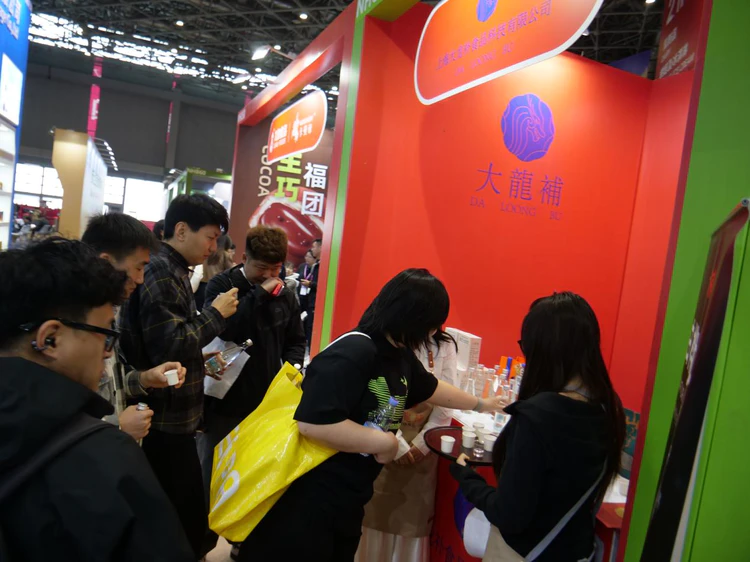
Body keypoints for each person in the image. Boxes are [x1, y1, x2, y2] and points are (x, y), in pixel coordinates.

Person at [237, 269, 509, 562]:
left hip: (348, 497)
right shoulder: (355, 350)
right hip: (308, 497)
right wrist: (384, 442)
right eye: (432, 324)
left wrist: (482, 404)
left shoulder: (398, 352)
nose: (433, 333)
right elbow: (312, 422)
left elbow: (431, 388)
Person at [0, 238, 194, 561]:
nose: (106, 353)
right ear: (50, 339)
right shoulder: (105, 456)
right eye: (105, 335)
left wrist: (144, 379)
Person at [450, 292, 626, 562]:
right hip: (576, 550)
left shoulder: (537, 416)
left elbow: (509, 515)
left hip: (523, 552)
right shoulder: (608, 409)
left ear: (541, 349)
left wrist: (468, 479)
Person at [119, 193, 239, 557]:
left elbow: (174, 339)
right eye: (210, 237)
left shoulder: (176, 271)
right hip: (163, 419)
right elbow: (169, 344)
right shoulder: (162, 270)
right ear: (182, 230)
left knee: (182, 516)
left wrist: (200, 358)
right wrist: (216, 313)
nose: (213, 247)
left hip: (175, 417)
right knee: (180, 519)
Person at [200, 225, 306, 556]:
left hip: (266, 401)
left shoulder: (286, 293)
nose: (271, 276)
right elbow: (226, 330)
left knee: (254, 474)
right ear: (245, 258)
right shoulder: (222, 286)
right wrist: (259, 294)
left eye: (277, 269)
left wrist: (291, 370)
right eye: (262, 268)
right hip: (223, 397)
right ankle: (200, 542)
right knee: (214, 472)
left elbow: (296, 340)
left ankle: (243, 541)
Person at [82, 213, 188, 442]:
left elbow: (112, 381)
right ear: (106, 263)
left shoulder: (108, 315)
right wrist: (117, 427)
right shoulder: (75, 327)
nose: (141, 280)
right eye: (139, 268)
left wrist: (146, 378)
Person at [356, 330, 458, 562]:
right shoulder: (386, 341)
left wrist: (421, 445)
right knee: (373, 520)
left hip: (423, 451)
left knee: (411, 526)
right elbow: (376, 396)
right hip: (384, 440)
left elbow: (446, 404)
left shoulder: (445, 346)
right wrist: (397, 444)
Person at [195, 234, 235, 311]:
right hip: (216, 287)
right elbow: (230, 272)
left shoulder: (206, 253)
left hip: (201, 286)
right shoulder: (224, 255)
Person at [301, 239, 322, 346]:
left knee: (313, 328)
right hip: (310, 301)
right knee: (309, 328)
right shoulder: (316, 265)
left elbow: (323, 285)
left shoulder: (323, 265)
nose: (312, 249)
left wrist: (310, 284)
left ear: (320, 247)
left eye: (314, 247)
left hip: (317, 303)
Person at [298, 249, 316, 315]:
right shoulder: (302, 266)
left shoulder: (316, 268)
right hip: (301, 294)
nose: (307, 258)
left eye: (309, 257)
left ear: (314, 258)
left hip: (310, 297)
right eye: (306, 256)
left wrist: (309, 284)